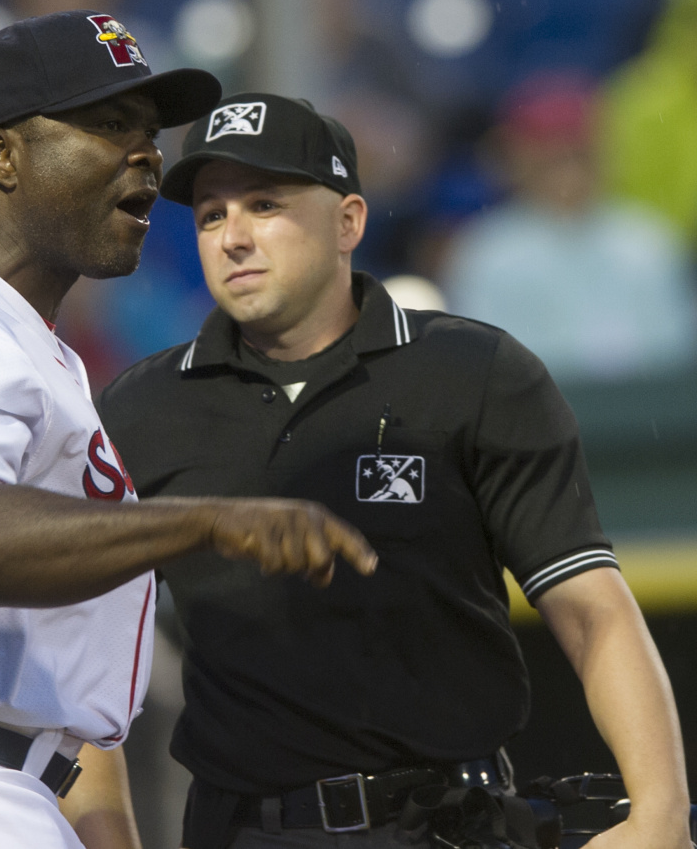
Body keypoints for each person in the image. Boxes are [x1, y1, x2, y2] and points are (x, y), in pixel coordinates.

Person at [0, 18, 379, 849]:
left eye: (149, 131)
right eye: (106, 125)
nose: (146, 154)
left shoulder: (3, 327)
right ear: (1, 156)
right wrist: (207, 519)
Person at [96, 92, 691, 848]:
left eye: (266, 203)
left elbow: (591, 609)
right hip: (242, 829)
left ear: (349, 221)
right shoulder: (142, 408)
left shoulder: (474, 372)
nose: (233, 237)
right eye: (212, 215)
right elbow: (87, 662)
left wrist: (662, 811)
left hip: (450, 824)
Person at [441, 71, 697, 384]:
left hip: (642, 423)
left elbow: (673, 360)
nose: (567, 173)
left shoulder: (649, 240)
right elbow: (482, 374)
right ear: (519, 161)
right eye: (552, 158)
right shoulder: (486, 251)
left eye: (578, 156)